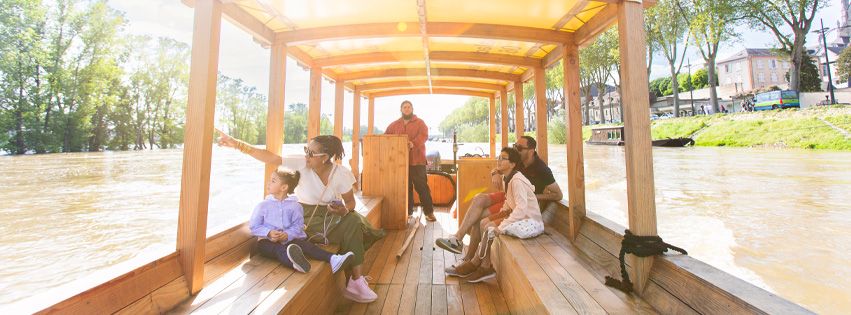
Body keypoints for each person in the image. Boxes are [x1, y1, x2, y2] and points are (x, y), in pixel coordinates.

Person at [217, 132, 385, 303]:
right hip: (303, 218)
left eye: (311, 153)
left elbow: (350, 203)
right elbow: (269, 158)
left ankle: (356, 282)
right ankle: (353, 278)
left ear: (325, 157)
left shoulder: (341, 173)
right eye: (306, 150)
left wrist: (342, 210)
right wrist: (237, 144)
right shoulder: (300, 163)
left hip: (330, 217)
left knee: (354, 221)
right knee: (351, 230)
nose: (306, 156)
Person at [436, 136, 562, 267]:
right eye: (514, 146)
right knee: (479, 198)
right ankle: (458, 239)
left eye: (519, 148)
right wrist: (494, 172)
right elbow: (500, 165)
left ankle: (471, 260)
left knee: (479, 217)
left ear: (531, 151)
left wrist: (535, 196)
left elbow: (558, 194)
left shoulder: (542, 170)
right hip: (508, 196)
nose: (515, 150)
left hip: (519, 206)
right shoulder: (518, 160)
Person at [450, 147, 546, 283]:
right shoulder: (507, 178)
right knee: (484, 222)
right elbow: (509, 201)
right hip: (519, 216)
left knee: (489, 227)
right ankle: (485, 266)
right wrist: (499, 215)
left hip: (529, 222)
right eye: (499, 157)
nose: (499, 160)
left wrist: (501, 225)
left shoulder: (517, 181)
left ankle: (478, 263)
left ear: (512, 164)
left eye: (504, 158)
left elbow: (522, 208)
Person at [250, 167, 354, 274]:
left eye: (273, 181)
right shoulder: (262, 206)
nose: (268, 183)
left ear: (284, 187)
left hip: (290, 241)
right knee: (279, 250)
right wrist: (269, 233)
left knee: (307, 246)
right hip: (266, 242)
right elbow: (254, 226)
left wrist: (287, 234)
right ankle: (296, 263)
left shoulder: (295, 206)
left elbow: (298, 226)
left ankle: (333, 259)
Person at [385, 100, 436, 222]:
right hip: (401, 163)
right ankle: (408, 212)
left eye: (409, 107)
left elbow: (424, 136)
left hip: (417, 161)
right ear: (401, 110)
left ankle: (429, 212)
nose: (407, 109)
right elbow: (386, 136)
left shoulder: (420, 123)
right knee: (405, 188)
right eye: (404, 107)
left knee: (422, 187)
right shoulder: (394, 125)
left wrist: (414, 143)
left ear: (412, 109)